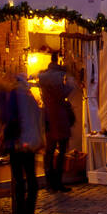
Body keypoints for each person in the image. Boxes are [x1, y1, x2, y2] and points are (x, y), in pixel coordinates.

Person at [0, 72, 43, 214]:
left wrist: (7, 139)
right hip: (31, 142)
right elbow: (38, 116)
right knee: (31, 178)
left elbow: (10, 118)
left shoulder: (14, 95)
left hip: (18, 142)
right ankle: (28, 213)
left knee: (19, 180)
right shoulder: (30, 95)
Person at [38, 51, 75, 193]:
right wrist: (70, 82)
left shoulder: (43, 76)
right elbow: (64, 92)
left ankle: (49, 183)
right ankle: (57, 182)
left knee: (49, 150)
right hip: (59, 116)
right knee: (61, 151)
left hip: (48, 115)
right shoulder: (59, 76)